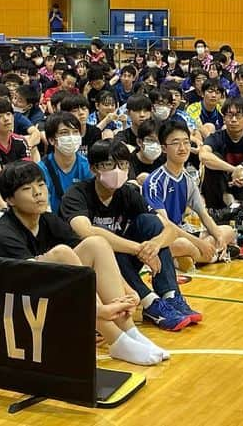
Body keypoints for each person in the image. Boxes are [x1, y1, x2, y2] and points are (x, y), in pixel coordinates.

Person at [0, 160, 168, 365]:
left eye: (41, 185)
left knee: (96, 244)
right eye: (27, 189)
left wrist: (128, 290)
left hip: (43, 298)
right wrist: (99, 310)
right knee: (62, 254)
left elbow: (86, 256)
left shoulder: (47, 220)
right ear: (10, 199)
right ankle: (115, 338)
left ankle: (130, 332)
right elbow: (29, 278)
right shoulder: (2, 235)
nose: (38, 193)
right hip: (6, 311)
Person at [59, 140, 199, 331]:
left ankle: (170, 295)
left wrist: (154, 245)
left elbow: (169, 229)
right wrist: (138, 249)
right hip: (88, 269)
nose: (117, 170)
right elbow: (86, 230)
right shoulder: (77, 194)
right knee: (108, 248)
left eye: (123, 164)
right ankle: (150, 302)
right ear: (93, 168)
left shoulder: (128, 193)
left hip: (124, 262)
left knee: (150, 223)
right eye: (109, 165)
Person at [143, 118, 235, 267]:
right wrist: (200, 243)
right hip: (162, 237)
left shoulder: (187, 179)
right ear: (164, 148)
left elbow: (203, 214)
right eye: (175, 143)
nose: (183, 148)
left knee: (227, 231)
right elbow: (167, 227)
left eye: (186, 142)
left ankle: (196, 256)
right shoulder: (154, 182)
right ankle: (208, 256)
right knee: (182, 244)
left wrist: (219, 238)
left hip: (183, 232)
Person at [36, 111, 93, 212]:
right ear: (51, 140)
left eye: (75, 132)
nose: (71, 137)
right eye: (64, 133)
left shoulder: (87, 166)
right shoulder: (41, 169)